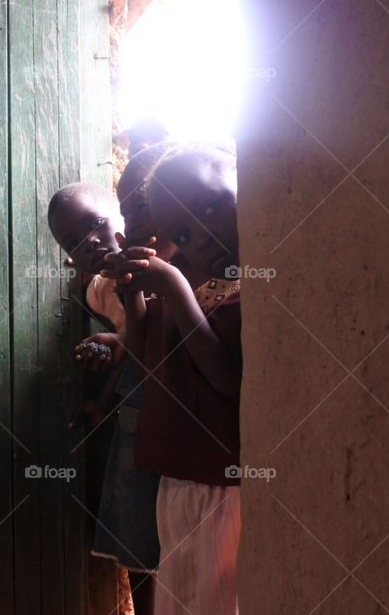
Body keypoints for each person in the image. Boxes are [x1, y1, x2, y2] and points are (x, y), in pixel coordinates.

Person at [104, 143, 242, 615]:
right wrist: (134, 297)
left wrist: (174, 287)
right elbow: (147, 370)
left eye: (208, 206)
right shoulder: (199, 285)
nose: (200, 235)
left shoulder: (251, 287)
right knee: (182, 601)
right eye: (182, 231)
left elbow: (226, 378)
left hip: (226, 484)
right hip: (177, 480)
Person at [47, 181, 159, 615]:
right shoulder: (97, 289)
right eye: (73, 242)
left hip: (176, 408)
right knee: (139, 535)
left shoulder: (150, 263)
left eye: (95, 225)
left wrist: (120, 340)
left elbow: (147, 337)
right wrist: (101, 403)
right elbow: (129, 350)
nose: (89, 242)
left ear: (120, 217)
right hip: (138, 413)